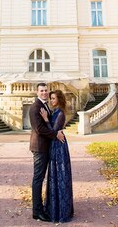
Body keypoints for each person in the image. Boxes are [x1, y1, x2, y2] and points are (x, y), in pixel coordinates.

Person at [30, 83, 65, 222]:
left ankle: (41, 208)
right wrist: (55, 134)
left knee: (41, 178)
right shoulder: (35, 107)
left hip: (46, 147)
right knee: (38, 179)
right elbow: (39, 129)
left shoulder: (45, 106)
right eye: (42, 91)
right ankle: (37, 211)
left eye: (46, 90)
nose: (44, 93)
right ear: (37, 92)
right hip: (39, 147)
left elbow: (51, 122)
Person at [41, 89, 74, 223]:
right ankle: (54, 208)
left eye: (53, 98)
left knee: (60, 175)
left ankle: (62, 210)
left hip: (59, 146)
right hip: (54, 144)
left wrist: (45, 119)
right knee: (54, 175)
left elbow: (54, 130)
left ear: (59, 99)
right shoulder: (55, 111)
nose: (51, 101)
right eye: (51, 98)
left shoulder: (60, 113)